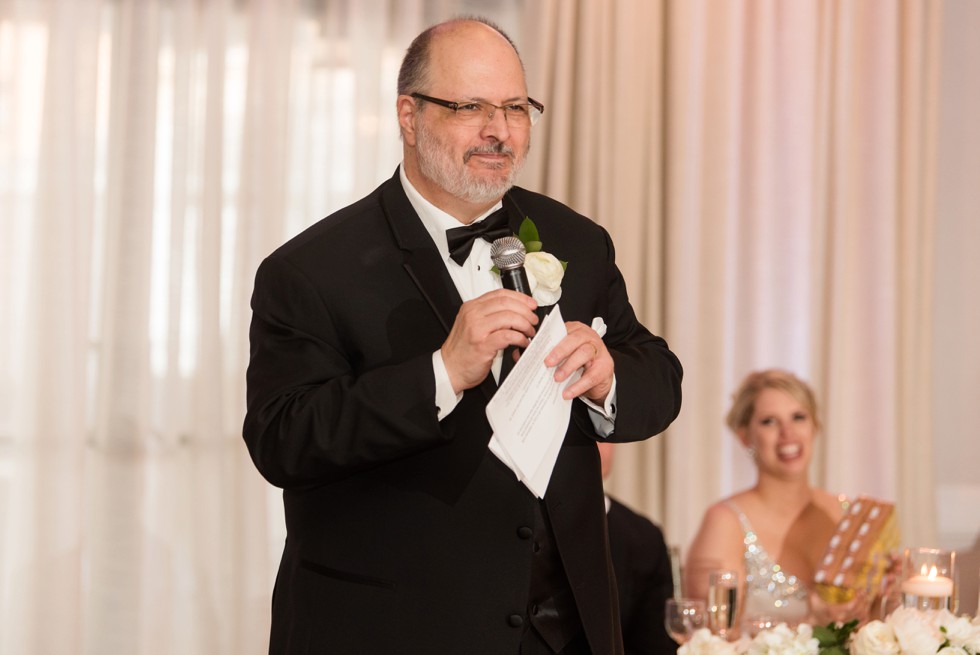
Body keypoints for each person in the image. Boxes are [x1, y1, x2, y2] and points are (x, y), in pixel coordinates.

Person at [242, 16, 683, 655]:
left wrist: (609, 375)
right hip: (393, 629)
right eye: (469, 106)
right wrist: (441, 373)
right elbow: (284, 440)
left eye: (514, 107)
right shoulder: (310, 271)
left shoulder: (577, 242)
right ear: (409, 115)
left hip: (566, 631)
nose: (498, 130)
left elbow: (659, 376)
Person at [683, 369, 855, 631]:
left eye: (798, 417)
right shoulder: (724, 522)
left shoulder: (845, 513)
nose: (788, 433)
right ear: (745, 436)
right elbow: (709, 640)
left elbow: (866, 625)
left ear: (815, 427)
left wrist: (883, 593)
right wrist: (811, 623)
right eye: (769, 422)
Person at [597, 443, 678, 655]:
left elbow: (655, 644)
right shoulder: (518, 524)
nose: (593, 445)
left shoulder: (644, 537)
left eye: (601, 431)